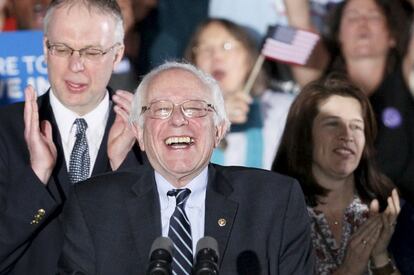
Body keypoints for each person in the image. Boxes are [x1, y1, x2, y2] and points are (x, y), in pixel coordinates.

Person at [58, 61, 313, 274]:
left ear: (219, 130)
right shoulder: (94, 204)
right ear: (139, 131)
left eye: (194, 109)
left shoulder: (275, 201)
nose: (178, 120)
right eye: (161, 109)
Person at [0, 0, 144, 274]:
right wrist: (36, 177)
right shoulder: (5, 129)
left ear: (117, 55)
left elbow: (160, 250)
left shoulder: (146, 133)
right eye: (63, 49)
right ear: (45, 49)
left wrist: (123, 167)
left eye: (92, 52)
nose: (76, 66)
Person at [284, 0, 414, 205]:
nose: (362, 23)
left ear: (392, 36)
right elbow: (298, 19)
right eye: (352, 17)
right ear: (339, 36)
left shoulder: (407, 78)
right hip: (336, 219)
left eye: (373, 16)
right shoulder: (319, 85)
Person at [272, 75, 400, 274]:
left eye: (356, 126)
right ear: (304, 135)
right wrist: (349, 269)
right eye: (333, 123)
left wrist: (380, 257)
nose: (347, 135)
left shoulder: (388, 210)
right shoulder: (276, 214)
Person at [185, 18, 294, 169]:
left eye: (227, 46)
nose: (216, 56)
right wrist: (213, 118)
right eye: (205, 48)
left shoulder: (284, 109)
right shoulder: (181, 114)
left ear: (249, 57)